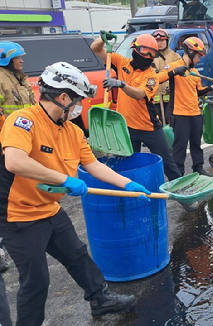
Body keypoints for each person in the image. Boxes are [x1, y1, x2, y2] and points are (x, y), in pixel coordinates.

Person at [0, 61, 149, 325]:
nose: (80, 106)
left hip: (49, 207)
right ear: (64, 96)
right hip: (18, 214)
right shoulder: (23, 120)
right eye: (78, 99)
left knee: (77, 255)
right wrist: (65, 179)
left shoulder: (73, 130)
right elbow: (15, 161)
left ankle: (100, 299)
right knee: (36, 280)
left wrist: (126, 184)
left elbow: (93, 165)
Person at [91, 32, 182, 181]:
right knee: (128, 164)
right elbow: (95, 49)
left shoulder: (151, 75)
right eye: (145, 51)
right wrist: (102, 40)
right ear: (135, 49)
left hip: (149, 128)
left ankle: (184, 193)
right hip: (126, 128)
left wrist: (121, 84)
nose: (147, 56)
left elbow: (139, 94)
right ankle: (131, 195)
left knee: (167, 162)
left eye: (152, 54)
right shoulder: (121, 62)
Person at [158, 37, 213, 176]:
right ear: (191, 52)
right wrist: (175, 72)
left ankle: (198, 168)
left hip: (195, 114)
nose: (199, 59)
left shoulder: (195, 73)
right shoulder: (174, 66)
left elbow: (199, 91)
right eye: (198, 56)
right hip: (180, 114)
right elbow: (158, 78)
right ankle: (178, 174)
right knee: (179, 147)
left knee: (196, 145)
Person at [0, 41, 36, 129]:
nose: (21, 61)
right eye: (17, 57)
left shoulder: (21, 78)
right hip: (8, 132)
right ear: (5, 59)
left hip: (27, 129)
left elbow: (33, 102)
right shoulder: (1, 79)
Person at [151, 29, 182, 125]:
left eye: (162, 41)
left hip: (171, 99)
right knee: (157, 123)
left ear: (167, 41)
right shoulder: (150, 56)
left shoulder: (175, 56)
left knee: (172, 122)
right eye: (157, 41)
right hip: (155, 98)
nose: (160, 43)